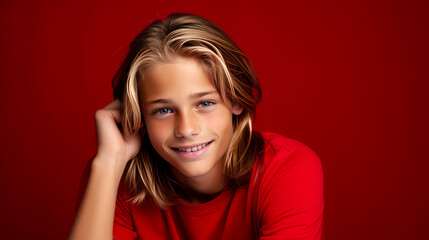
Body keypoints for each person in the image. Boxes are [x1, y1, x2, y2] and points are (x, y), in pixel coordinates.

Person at [69, 13, 324, 240]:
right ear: (138, 118)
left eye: (205, 103)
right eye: (163, 110)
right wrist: (108, 163)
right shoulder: (114, 177)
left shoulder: (287, 169)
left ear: (235, 99)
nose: (187, 129)